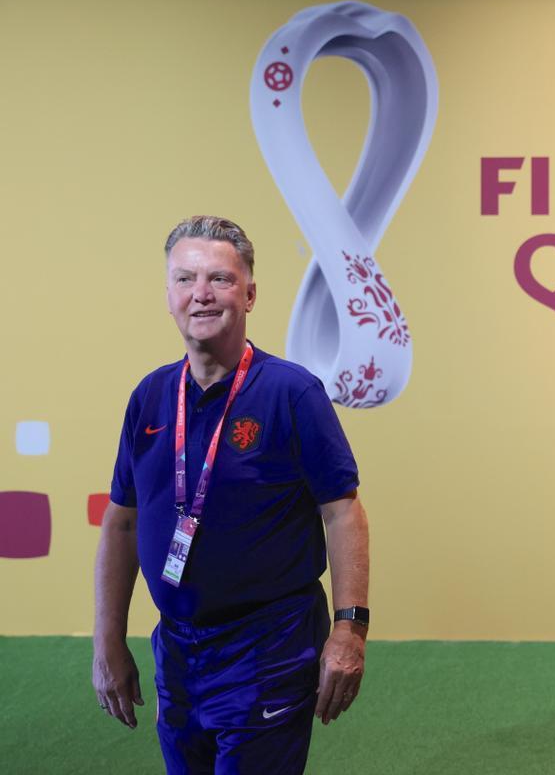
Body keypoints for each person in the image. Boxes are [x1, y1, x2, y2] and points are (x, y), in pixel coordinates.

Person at [92, 216, 371, 774]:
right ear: (168, 294)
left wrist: (350, 627)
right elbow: (121, 524)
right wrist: (108, 640)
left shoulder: (292, 393)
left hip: (268, 647)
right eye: (184, 279)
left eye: (219, 278)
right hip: (175, 649)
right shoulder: (150, 396)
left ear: (249, 293)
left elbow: (343, 512)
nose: (201, 293)